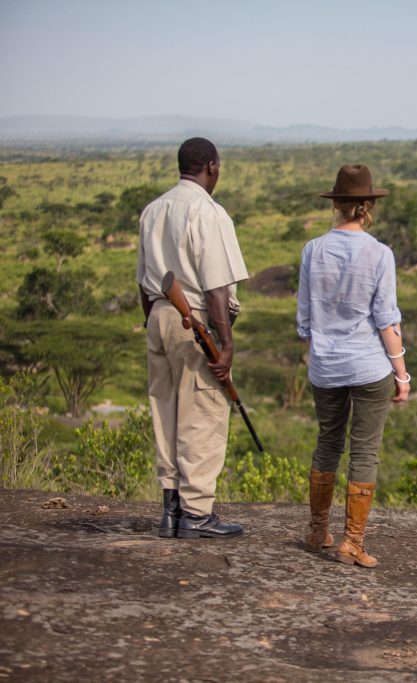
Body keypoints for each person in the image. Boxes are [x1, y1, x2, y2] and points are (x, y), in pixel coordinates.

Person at [297, 164, 410, 568]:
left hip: (325, 366)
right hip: (368, 368)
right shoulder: (380, 254)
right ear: (366, 208)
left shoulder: (313, 249)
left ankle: (316, 530)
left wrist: (323, 351)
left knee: (327, 441)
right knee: (364, 451)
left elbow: (305, 320)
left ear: (338, 205)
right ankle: (352, 541)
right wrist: (402, 375)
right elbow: (387, 321)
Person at [136, 137, 249, 539]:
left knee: (165, 409)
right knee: (202, 411)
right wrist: (226, 342)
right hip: (196, 320)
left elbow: (143, 281)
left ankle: (171, 510)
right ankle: (197, 512)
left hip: (159, 317)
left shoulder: (153, 210)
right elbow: (217, 287)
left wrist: (156, 324)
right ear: (212, 167)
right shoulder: (209, 213)